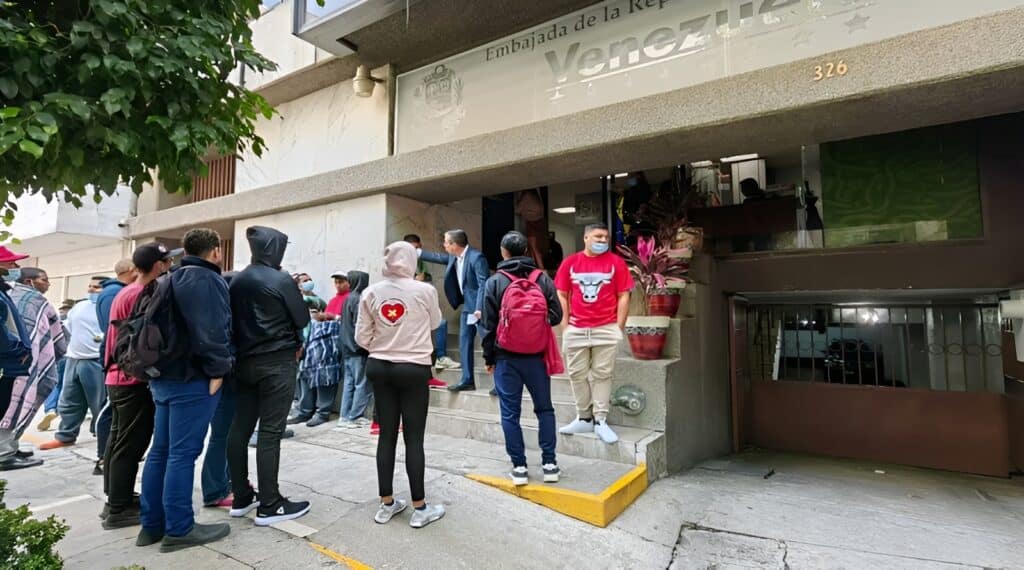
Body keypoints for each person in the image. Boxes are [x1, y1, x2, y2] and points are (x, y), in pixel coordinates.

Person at [137, 229, 234, 552]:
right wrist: (219, 369)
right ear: (216, 251)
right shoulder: (204, 280)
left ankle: (152, 525)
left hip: (163, 375)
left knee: (161, 451)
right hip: (190, 378)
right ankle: (179, 529)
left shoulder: (170, 277)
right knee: (182, 453)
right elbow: (211, 330)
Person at [357, 241, 445, 528]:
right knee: (414, 437)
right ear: (410, 261)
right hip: (413, 368)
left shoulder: (371, 292)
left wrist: (382, 345)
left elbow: (361, 337)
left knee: (386, 436)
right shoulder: (425, 290)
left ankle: (386, 503)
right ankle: (420, 507)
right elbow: (435, 322)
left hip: (379, 367)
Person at [227, 226, 311, 526]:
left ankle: (240, 495)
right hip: (277, 360)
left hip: (245, 361)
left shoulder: (237, 280)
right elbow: (301, 318)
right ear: (274, 249)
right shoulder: (280, 279)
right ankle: (270, 502)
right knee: (270, 432)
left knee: (239, 429)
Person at [101, 244, 175, 530]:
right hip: (131, 379)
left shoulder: (127, 291)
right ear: (158, 265)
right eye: (167, 261)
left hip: (118, 377)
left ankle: (115, 498)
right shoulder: (140, 294)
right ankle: (119, 508)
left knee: (119, 441)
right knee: (131, 444)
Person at [479, 232, 563, 485]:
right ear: (526, 250)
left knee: (510, 413)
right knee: (545, 409)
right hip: (537, 357)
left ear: (503, 251)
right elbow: (557, 315)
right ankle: (550, 464)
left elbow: (488, 325)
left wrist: (489, 357)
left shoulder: (495, 281)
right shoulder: (542, 279)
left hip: (506, 358)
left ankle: (519, 468)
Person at [554, 223, 633, 445]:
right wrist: (565, 326)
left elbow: (624, 295)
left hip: (606, 328)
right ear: (586, 237)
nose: (602, 241)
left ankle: (600, 420)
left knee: (602, 375)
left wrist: (618, 326)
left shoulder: (616, 263)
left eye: (606, 237)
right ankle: (583, 417)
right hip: (576, 328)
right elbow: (561, 294)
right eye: (597, 236)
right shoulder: (570, 262)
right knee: (576, 374)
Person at [39, 277, 107, 461]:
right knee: (69, 401)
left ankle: (106, 443)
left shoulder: (107, 307)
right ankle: (65, 436)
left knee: (99, 405)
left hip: (95, 361)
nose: (92, 290)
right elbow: (66, 328)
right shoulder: (79, 306)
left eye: (97, 287)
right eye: (90, 286)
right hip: (73, 359)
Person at [418, 230, 490, 391]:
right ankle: (467, 380)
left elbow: (483, 284)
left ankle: (500, 383)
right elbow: (437, 257)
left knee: (489, 344)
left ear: (454, 244)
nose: (444, 245)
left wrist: (479, 308)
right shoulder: (454, 257)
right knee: (464, 343)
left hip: (480, 308)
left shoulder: (476, 257)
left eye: (445, 242)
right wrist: (415, 252)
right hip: (467, 308)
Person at [94, 258, 138, 477]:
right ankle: (103, 456)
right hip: (120, 363)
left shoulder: (114, 292)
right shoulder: (117, 293)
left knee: (115, 416)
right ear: (132, 270)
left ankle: (106, 458)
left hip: (117, 359)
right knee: (112, 414)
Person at [201, 271, 240, 510]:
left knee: (225, 435)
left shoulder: (214, 313)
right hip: (224, 381)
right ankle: (215, 489)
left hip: (222, 380)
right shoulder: (224, 316)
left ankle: (225, 481)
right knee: (221, 436)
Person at [0, 250, 39, 471]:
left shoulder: (3, 290)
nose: (15, 266)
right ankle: (3, 455)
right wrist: (17, 350)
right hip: (5, 362)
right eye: (11, 262)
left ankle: (6, 448)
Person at [406, 235, 458, 372]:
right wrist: (415, 279)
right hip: (405, 311)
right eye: (413, 248)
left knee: (441, 322)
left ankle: (440, 358)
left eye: (418, 248)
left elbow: (427, 278)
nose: (416, 251)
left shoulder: (421, 262)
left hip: (421, 306)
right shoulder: (402, 262)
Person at [288, 298, 341, 428]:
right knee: (305, 386)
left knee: (324, 386)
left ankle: (322, 414)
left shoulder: (331, 325)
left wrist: (333, 317)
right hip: (306, 361)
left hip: (325, 362)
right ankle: (304, 412)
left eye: (314, 310)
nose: (311, 313)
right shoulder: (302, 323)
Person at [336, 270, 372, 429]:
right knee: (361, 383)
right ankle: (355, 416)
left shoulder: (348, 298)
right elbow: (360, 326)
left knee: (349, 383)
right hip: (357, 348)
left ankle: (344, 416)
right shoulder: (358, 299)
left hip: (347, 348)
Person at [38, 299, 74, 430]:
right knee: (65, 385)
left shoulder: (51, 321)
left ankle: (50, 409)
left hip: (54, 357)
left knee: (54, 385)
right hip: (70, 356)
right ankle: (61, 410)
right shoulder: (72, 320)